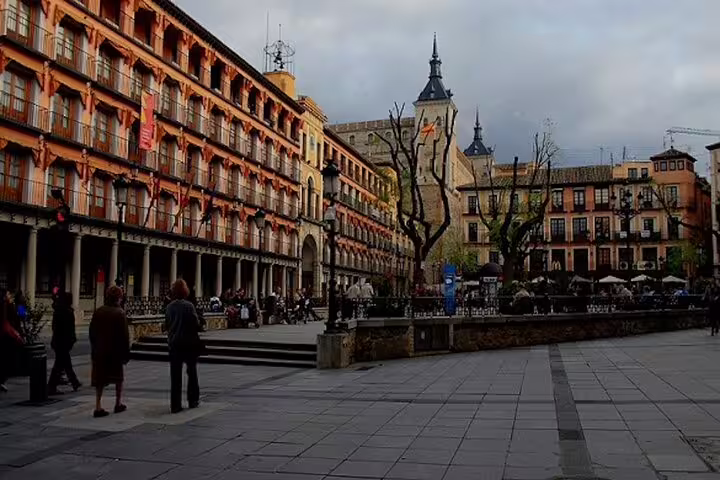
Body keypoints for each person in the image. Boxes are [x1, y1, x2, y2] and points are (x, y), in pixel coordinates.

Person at [89, 285, 130, 418]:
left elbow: (92, 332)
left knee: (100, 379)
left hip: (100, 351)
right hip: (115, 352)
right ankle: (118, 403)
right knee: (118, 378)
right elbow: (124, 336)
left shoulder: (98, 311)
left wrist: (95, 346)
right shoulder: (120, 313)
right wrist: (126, 353)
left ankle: (98, 405)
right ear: (118, 298)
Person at [165, 279, 202, 413]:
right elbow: (196, 323)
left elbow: (167, 324)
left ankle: (175, 404)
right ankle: (193, 399)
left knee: (175, 375)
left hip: (174, 343)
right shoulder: (189, 306)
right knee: (191, 372)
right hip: (188, 343)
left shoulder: (169, 307)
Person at [47, 292, 81, 394]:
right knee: (60, 364)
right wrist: (72, 339)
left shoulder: (57, 311)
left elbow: (54, 327)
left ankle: (74, 382)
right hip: (64, 342)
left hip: (58, 341)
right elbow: (70, 329)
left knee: (65, 363)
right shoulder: (68, 311)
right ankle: (51, 386)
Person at [0, 288, 23, 392]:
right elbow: (22, 316)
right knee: (7, 358)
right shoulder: (9, 305)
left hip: (10, 333)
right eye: (9, 294)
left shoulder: (11, 305)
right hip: (9, 334)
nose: (10, 296)